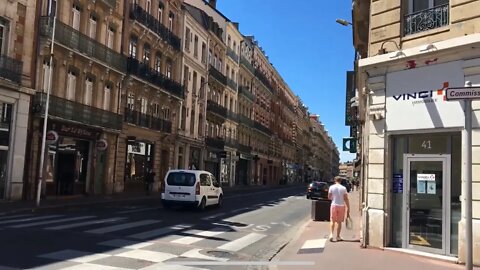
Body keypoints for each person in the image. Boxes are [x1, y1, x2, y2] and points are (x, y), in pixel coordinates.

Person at [328, 176, 350, 242]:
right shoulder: (343, 188)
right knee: (339, 222)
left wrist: (333, 198)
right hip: (341, 205)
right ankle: (338, 236)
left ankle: (331, 234)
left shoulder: (331, 187)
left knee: (332, 220)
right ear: (341, 181)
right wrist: (348, 207)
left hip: (334, 205)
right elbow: (346, 198)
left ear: (335, 180)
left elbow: (329, 197)